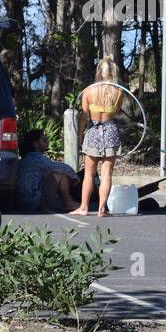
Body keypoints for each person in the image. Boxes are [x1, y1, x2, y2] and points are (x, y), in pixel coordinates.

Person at [71, 59, 124, 217]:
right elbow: (115, 112)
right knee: (107, 173)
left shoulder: (88, 91)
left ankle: (84, 207)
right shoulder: (119, 91)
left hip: (93, 131)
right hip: (110, 131)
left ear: (98, 72)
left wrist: (80, 136)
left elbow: (84, 116)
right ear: (113, 72)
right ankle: (101, 209)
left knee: (89, 173)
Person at [16, 129, 80, 212]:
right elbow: (63, 168)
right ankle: (68, 202)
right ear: (36, 144)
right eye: (44, 140)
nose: (47, 142)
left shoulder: (25, 158)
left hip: (21, 202)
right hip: (32, 202)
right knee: (59, 175)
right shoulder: (36, 158)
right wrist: (76, 178)